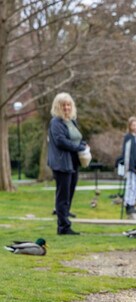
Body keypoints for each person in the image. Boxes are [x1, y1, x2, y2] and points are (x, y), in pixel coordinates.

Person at [47, 92, 88, 235]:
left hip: (72, 163)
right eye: (63, 105)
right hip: (61, 164)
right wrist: (79, 147)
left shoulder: (71, 121)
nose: (66, 107)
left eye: (69, 104)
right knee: (62, 196)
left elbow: (75, 139)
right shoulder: (56, 122)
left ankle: (64, 221)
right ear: (57, 107)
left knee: (69, 194)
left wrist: (83, 145)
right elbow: (61, 141)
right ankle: (63, 227)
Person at [119, 117, 136, 214]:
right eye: (133, 125)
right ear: (129, 126)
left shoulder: (135, 137)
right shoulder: (128, 137)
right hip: (131, 166)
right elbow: (127, 153)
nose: (135, 127)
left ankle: (132, 202)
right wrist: (130, 166)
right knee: (131, 185)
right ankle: (129, 204)